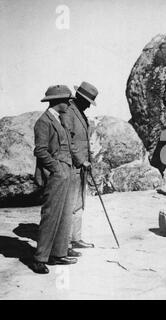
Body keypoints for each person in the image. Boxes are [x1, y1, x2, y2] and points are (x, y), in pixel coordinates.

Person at [31, 85, 79, 274]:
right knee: (51, 215)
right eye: (67, 99)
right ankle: (39, 258)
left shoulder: (60, 119)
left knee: (65, 214)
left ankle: (58, 254)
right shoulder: (44, 121)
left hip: (66, 171)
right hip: (56, 173)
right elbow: (40, 150)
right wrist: (56, 168)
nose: (69, 102)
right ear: (57, 101)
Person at [62, 81, 98, 249]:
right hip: (72, 166)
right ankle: (66, 242)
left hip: (81, 167)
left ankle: (75, 239)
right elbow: (68, 140)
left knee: (78, 204)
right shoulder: (69, 112)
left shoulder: (80, 112)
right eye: (88, 103)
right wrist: (80, 160)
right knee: (70, 204)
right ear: (80, 98)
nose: (89, 107)